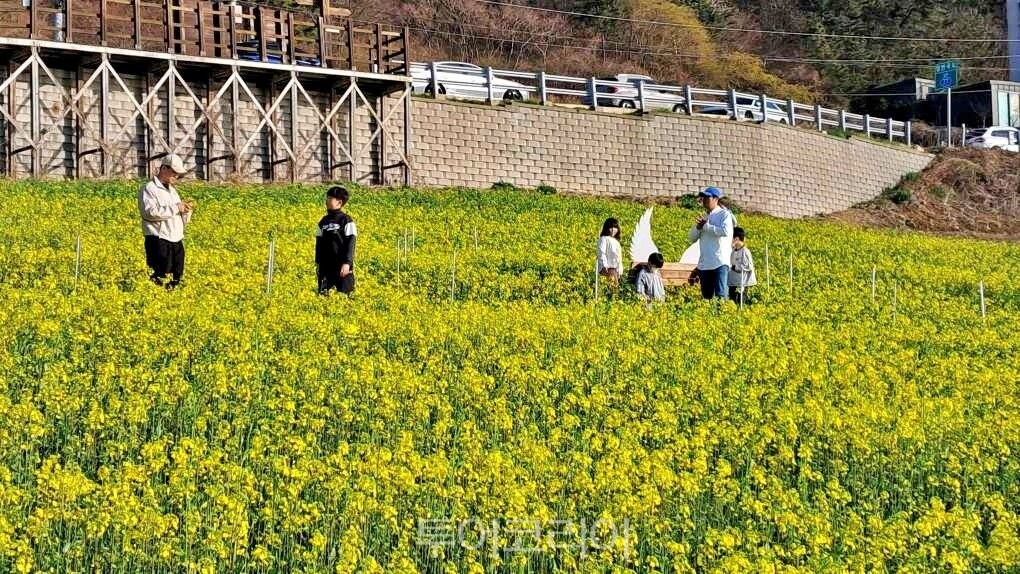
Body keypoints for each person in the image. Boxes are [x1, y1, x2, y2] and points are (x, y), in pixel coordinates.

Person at [139, 154, 192, 289]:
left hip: (176, 239)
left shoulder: (173, 191)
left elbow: (177, 216)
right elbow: (149, 213)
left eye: (179, 174)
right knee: (159, 279)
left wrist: (185, 211)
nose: (177, 176)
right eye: (174, 172)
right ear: (164, 168)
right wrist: (176, 207)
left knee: (176, 279)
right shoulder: (149, 188)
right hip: (159, 239)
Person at [687, 186, 735, 300]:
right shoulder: (704, 217)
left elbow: (725, 231)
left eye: (707, 197)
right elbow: (691, 238)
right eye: (703, 197)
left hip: (720, 262)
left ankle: (722, 317)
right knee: (706, 297)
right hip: (705, 263)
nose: (704, 200)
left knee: (720, 295)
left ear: (715, 199)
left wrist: (706, 226)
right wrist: (698, 228)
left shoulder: (724, 215)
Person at [316, 185, 357, 294]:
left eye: (330, 198)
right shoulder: (322, 222)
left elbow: (350, 243)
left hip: (342, 268)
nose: (327, 201)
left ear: (339, 202)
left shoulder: (346, 221)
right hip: (326, 268)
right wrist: (318, 264)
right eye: (327, 198)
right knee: (324, 298)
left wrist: (347, 263)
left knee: (344, 298)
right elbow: (319, 244)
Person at [728, 227, 756, 305]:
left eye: (731, 238)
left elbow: (748, 266)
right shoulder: (733, 251)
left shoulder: (745, 251)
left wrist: (735, 267)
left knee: (741, 301)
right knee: (732, 300)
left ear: (736, 239)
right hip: (733, 281)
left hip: (742, 281)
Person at [596, 217, 623, 283]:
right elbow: (601, 253)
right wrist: (604, 265)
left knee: (614, 290)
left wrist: (620, 270)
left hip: (615, 270)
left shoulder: (617, 242)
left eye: (615, 227)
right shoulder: (603, 239)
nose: (613, 230)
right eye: (611, 227)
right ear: (606, 228)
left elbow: (619, 258)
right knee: (610, 289)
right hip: (608, 269)